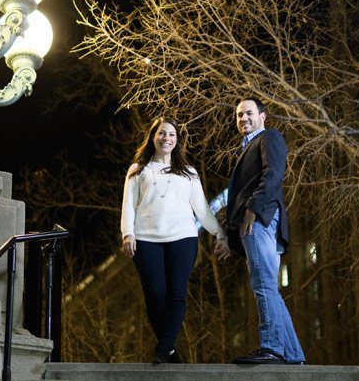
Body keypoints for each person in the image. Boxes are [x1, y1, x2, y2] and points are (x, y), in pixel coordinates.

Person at [121, 116, 230, 364]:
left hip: (183, 238)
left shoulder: (189, 173)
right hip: (146, 239)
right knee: (155, 294)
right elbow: (128, 205)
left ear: (177, 140)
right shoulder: (138, 169)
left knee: (177, 295)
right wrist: (128, 233)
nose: (166, 138)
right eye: (161, 133)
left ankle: (163, 349)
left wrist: (220, 234)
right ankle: (169, 350)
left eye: (171, 134)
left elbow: (202, 210)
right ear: (153, 137)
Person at [226, 97, 306, 365]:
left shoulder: (269, 137)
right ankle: (293, 354)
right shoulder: (247, 147)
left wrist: (253, 208)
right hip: (255, 220)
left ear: (262, 116)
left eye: (249, 113)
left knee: (262, 284)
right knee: (269, 285)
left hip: (259, 218)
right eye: (239, 115)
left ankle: (272, 347)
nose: (243, 119)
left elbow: (273, 174)